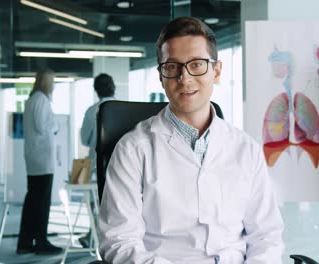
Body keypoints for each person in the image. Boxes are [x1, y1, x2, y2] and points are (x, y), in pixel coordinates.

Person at [97, 17, 284, 264]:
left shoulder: (245, 148)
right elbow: (119, 242)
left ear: (216, 71)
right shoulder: (133, 150)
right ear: (161, 76)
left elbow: (266, 236)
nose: (184, 78)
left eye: (196, 65)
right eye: (172, 67)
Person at [17, 69, 62, 255]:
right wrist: (56, 125)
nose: (53, 85)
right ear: (45, 82)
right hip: (42, 161)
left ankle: (25, 242)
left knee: (32, 202)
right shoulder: (41, 100)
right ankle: (41, 242)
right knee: (42, 203)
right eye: (52, 81)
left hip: (35, 159)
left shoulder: (32, 100)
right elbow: (44, 127)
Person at [78, 73, 116, 248]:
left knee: (96, 204)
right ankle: (99, 238)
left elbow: (85, 139)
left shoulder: (91, 110)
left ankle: (94, 237)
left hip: (96, 166)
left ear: (96, 90)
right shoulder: (123, 108)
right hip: (119, 165)